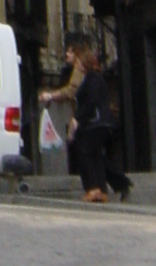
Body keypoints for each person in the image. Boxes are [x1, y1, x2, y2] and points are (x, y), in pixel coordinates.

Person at [40, 41, 117, 202]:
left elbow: (88, 101)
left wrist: (77, 119)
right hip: (99, 122)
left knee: (84, 151)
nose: (77, 64)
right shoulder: (94, 78)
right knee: (95, 154)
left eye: (79, 61)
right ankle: (101, 190)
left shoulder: (91, 79)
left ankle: (93, 188)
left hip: (94, 122)